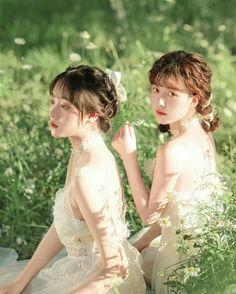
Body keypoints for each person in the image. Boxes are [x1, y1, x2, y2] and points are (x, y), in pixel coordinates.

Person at [0, 65, 146, 293]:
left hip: (100, 283)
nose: (53, 113)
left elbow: (116, 267)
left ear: (92, 115)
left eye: (65, 106)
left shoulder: (86, 175)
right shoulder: (84, 152)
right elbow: (64, 223)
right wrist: (22, 280)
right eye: (53, 102)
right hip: (84, 267)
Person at [112, 50, 222, 293]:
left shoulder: (172, 150)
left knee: (105, 271)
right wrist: (143, 241)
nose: (159, 102)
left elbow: (148, 216)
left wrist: (129, 157)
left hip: (181, 263)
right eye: (156, 90)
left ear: (195, 99)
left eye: (172, 93)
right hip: (207, 246)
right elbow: (181, 207)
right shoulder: (203, 132)